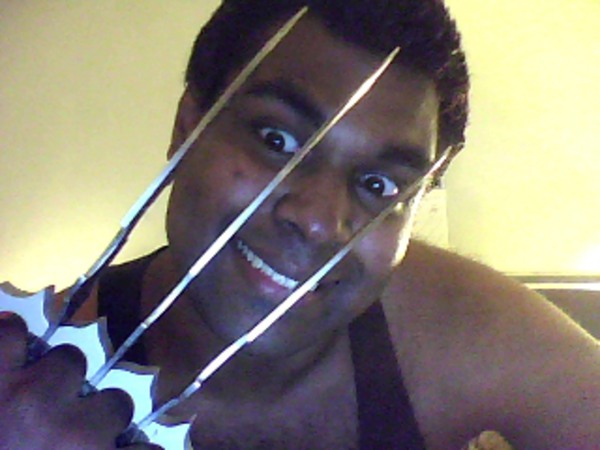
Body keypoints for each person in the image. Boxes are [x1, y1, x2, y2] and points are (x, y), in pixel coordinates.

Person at [1, 0, 598, 448]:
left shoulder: (456, 325)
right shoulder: (36, 381)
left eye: (379, 186)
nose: (318, 222)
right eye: (276, 139)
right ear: (188, 128)